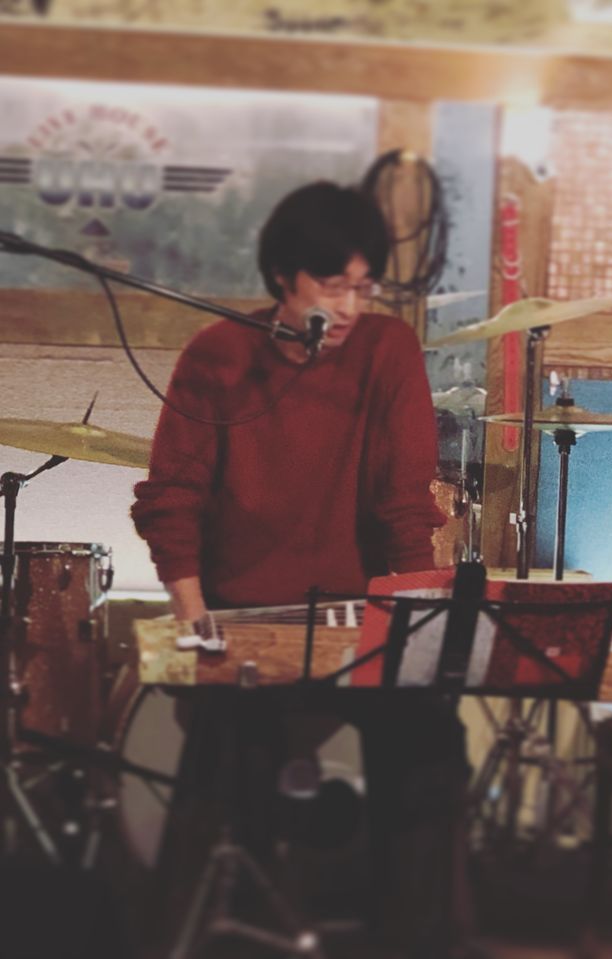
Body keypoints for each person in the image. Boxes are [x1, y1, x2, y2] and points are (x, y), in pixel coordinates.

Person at [132, 181, 466, 958]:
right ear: (283, 276)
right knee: (229, 767)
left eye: (364, 288)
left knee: (430, 750)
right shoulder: (217, 355)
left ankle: (412, 939)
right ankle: (231, 933)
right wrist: (193, 617)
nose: (348, 307)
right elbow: (173, 497)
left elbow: (404, 499)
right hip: (245, 618)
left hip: (362, 619)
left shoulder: (387, 349)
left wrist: (419, 634)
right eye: (331, 284)